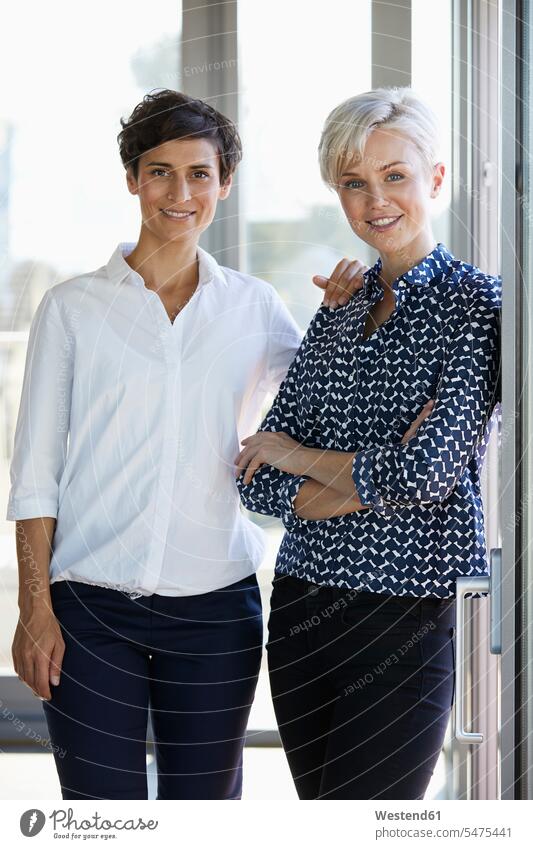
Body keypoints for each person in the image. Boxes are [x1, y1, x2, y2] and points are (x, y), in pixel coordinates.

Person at [7, 89, 367, 800]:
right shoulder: (73, 308)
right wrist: (34, 608)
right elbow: (36, 473)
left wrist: (341, 319)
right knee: (101, 816)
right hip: (90, 607)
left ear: (224, 184)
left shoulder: (254, 306)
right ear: (132, 179)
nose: (180, 192)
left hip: (214, 612)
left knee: (203, 820)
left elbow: (324, 408)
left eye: (199, 173)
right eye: (160, 171)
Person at [236, 86, 501, 800]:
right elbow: (253, 481)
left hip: (406, 614)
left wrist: (294, 454)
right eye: (354, 182)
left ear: (435, 180)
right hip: (300, 606)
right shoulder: (338, 305)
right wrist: (359, 478)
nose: (374, 200)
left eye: (394, 176)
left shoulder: (477, 306)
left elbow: (425, 471)